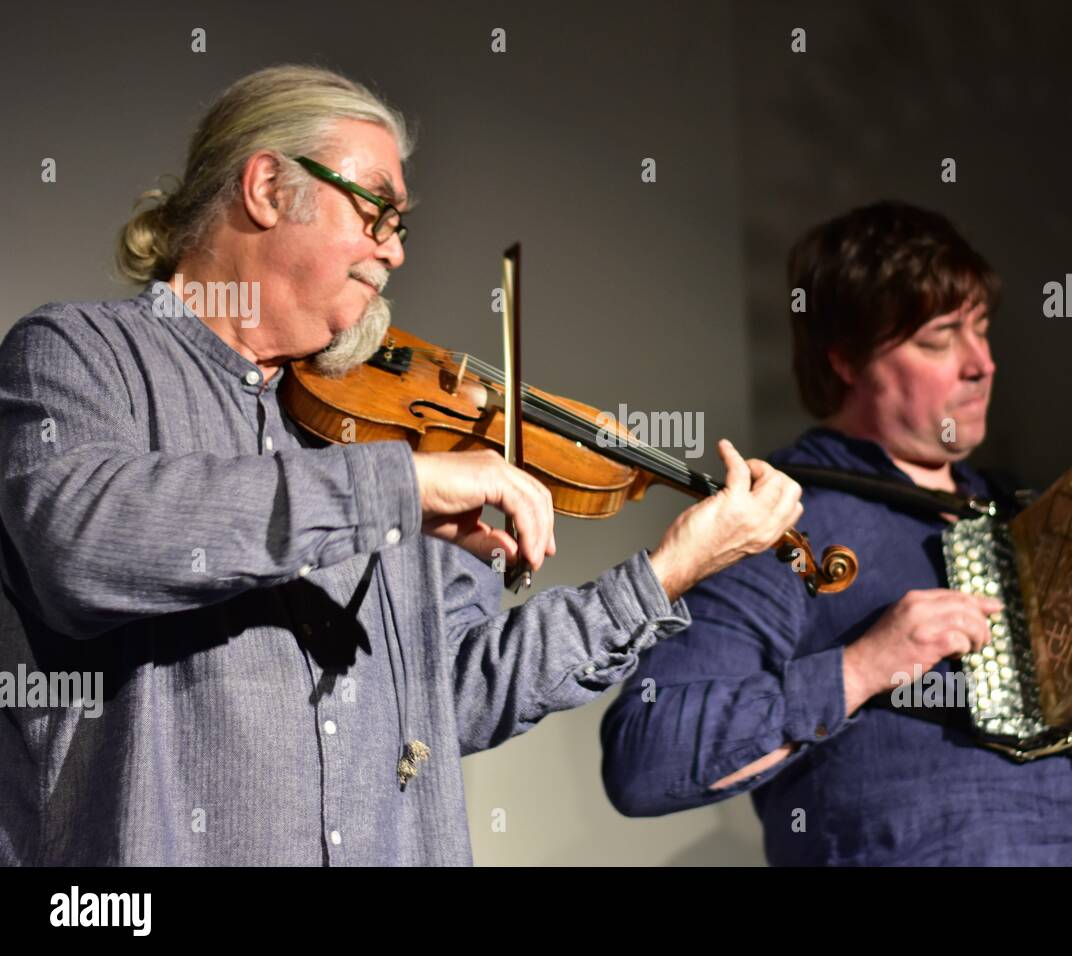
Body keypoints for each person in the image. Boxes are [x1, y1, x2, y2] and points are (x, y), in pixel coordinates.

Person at [0, 65, 802, 865]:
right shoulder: (76, 355)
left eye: (401, 226)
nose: (393, 251)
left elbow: (453, 694)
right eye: (377, 209)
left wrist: (663, 575)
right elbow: (84, 537)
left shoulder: (360, 430)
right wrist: (396, 486)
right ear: (269, 187)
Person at [600, 201, 1072, 866]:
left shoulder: (1035, 517)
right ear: (848, 361)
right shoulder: (780, 524)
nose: (982, 363)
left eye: (981, 329)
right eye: (940, 338)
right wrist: (860, 668)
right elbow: (643, 756)